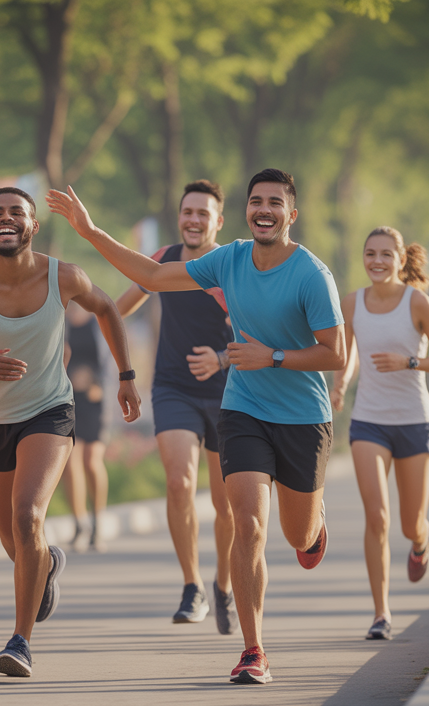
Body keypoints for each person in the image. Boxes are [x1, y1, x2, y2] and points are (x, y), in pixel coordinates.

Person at [48, 169, 346, 685]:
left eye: (275, 203)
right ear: (247, 211)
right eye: (257, 201)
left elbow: (335, 353)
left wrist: (269, 356)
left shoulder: (311, 274)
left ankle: (314, 522)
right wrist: (90, 232)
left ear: (291, 215)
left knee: (297, 535)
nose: (265, 210)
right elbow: (155, 275)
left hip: (302, 416)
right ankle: (254, 650)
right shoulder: (228, 259)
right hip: (243, 409)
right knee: (248, 522)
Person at [0, 187, 141, 678]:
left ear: (33, 225)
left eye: (16, 213)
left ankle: (21, 641)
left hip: (49, 412)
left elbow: (107, 309)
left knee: (28, 519)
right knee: (16, 541)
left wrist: (126, 377)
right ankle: (45, 564)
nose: (6, 219)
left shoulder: (64, 276)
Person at [113, 179, 237, 633]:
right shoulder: (163, 260)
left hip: (229, 391)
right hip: (172, 388)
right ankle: (192, 586)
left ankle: (224, 582)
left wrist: (222, 357)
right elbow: (117, 308)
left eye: (203, 213)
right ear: (179, 216)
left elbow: (260, 329)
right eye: (188, 211)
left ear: (218, 222)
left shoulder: (230, 265)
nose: (194, 219)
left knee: (227, 505)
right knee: (181, 482)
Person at [331, 228, 429, 641]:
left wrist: (409, 362)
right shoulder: (352, 302)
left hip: (415, 422)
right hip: (369, 421)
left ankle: (421, 541)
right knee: (377, 518)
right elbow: (347, 353)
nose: (377, 261)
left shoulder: (417, 302)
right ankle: (381, 613)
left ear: (401, 260)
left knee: (408, 524)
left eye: (386, 254)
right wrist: (342, 383)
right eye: (370, 253)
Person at [61, 301, 109, 552]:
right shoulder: (61, 323)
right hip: (67, 400)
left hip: (95, 400)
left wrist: (94, 380)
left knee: (92, 460)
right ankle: (80, 523)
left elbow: (112, 358)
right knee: (70, 461)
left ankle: (98, 520)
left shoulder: (97, 321)